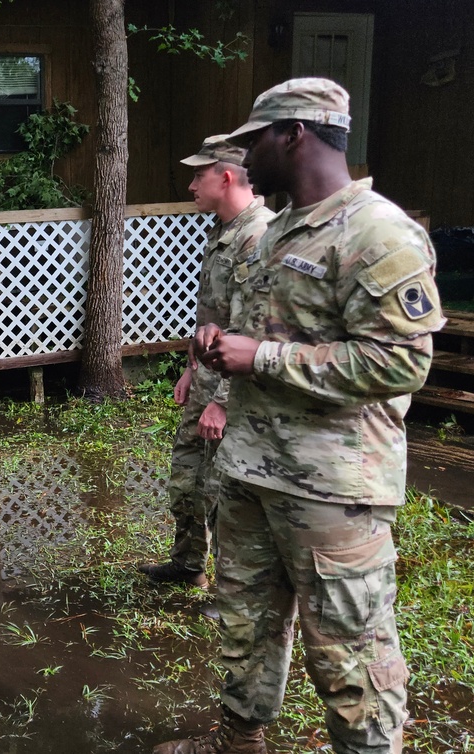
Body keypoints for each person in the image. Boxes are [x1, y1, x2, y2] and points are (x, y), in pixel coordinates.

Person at [153, 78, 444, 754]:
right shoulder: (274, 232)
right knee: (244, 626)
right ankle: (239, 741)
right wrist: (219, 350)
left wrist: (267, 359)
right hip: (252, 474)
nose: (244, 156)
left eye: (254, 140)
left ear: (294, 136)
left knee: (349, 654)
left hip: (332, 491)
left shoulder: (378, 231)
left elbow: (401, 365)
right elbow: (259, 334)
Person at [139, 135, 273, 590]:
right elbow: (215, 320)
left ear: (227, 176)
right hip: (207, 381)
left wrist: (224, 401)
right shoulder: (223, 231)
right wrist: (192, 368)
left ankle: (234, 592)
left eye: (199, 174)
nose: (192, 184)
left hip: (235, 392)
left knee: (227, 493)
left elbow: (256, 333)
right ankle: (188, 564)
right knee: (189, 478)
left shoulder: (260, 238)